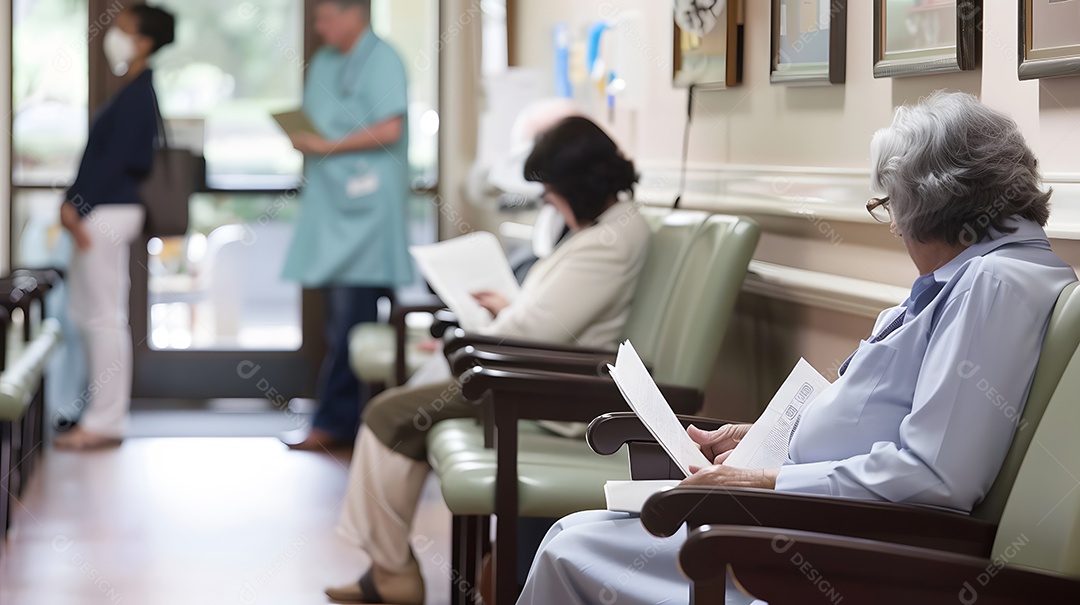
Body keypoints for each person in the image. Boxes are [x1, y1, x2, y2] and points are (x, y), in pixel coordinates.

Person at [515, 92, 1078, 605]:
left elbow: (936, 478)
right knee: (574, 536)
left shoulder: (993, 285)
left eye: (890, 208)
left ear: (928, 207)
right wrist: (761, 439)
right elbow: (888, 424)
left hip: (837, 559)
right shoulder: (980, 276)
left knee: (571, 545)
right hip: (809, 525)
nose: (893, 229)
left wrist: (762, 481)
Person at [325, 116, 652, 605]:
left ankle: (391, 572)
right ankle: (386, 568)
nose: (546, 200)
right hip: (536, 369)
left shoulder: (608, 242)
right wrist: (503, 312)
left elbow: (533, 332)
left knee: (387, 415)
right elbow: (548, 318)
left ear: (576, 188)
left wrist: (479, 330)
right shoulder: (611, 227)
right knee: (397, 411)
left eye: (549, 190)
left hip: (547, 388)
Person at [281, 0, 413, 451]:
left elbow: (391, 128)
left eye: (324, 17)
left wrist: (327, 144)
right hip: (332, 207)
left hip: (368, 213)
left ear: (354, 12)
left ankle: (339, 422)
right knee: (342, 321)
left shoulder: (383, 58)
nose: (318, 27)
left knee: (353, 321)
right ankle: (353, 419)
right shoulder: (323, 61)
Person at [54, 5, 175, 451]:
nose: (114, 35)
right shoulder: (132, 90)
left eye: (123, 29)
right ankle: (98, 414)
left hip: (105, 213)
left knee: (103, 316)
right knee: (93, 314)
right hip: (101, 212)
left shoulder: (139, 94)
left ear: (144, 41)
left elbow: (119, 162)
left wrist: (74, 205)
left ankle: (106, 420)